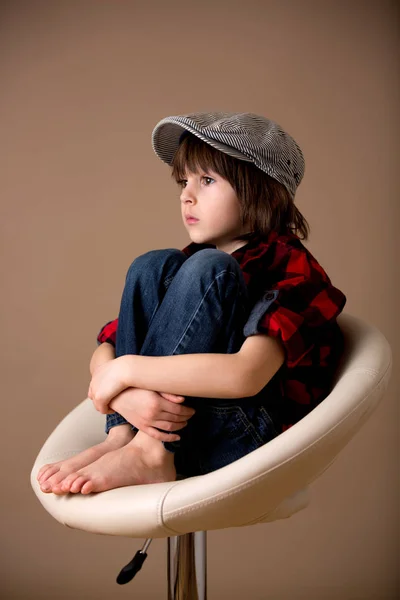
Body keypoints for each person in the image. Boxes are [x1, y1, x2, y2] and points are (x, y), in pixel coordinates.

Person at [37, 111, 347, 496]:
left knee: (210, 266)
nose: (187, 194)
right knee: (152, 263)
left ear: (261, 188)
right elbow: (108, 348)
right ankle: (124, 439)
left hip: (245, 437)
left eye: (207, 180)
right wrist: (126, 397)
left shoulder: (290, 269)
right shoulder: (186, 265)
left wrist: (127, 371)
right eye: (184, 181)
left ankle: (150, 454)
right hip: (177, 426)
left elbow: (244, 375)